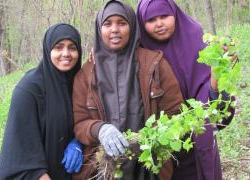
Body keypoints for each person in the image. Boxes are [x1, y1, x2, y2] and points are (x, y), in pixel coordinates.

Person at [72, 0, 184, 179]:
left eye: (122, 23)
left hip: (149, 168)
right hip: (103, 170)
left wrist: (146, 138)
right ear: (99, 30)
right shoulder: (86, 74)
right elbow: (79, 123)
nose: (114, 29)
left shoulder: (155, 64)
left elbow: (175, 113)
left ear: (132, 27)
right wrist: (100, 130)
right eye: (107, 24)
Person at [137, 0, 235, 179]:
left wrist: (217, 74)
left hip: (196, 137)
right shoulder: (139, 50)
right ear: (142, 25)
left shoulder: (194, 38)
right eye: (151, 20)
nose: (159, 24)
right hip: (160, 147)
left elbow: (213, 102)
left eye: (164, 16)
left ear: (175, 15)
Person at [0, 23, 84, 180]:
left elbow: (85, 119)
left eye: (72, 47)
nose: (66, 53)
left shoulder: (79, 84)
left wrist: (78, 141)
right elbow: (23, 155)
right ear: (48, 49)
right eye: (58, 47)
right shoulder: (29, 90)